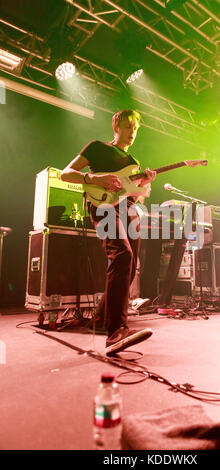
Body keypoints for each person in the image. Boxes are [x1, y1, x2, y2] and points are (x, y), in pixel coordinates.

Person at [60, 110, 156, 355]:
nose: (132, 132)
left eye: (135, 128)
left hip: (128, 208)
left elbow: (134, 194)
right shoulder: (98, 147)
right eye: (127, 126)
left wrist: (144, 184)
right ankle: (116, 332)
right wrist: (95, 179)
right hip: (102, 206)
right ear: (116, 125)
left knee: (132, 264)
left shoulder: (132, 161)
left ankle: (102, 320)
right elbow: (65, 173)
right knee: (122, 255)